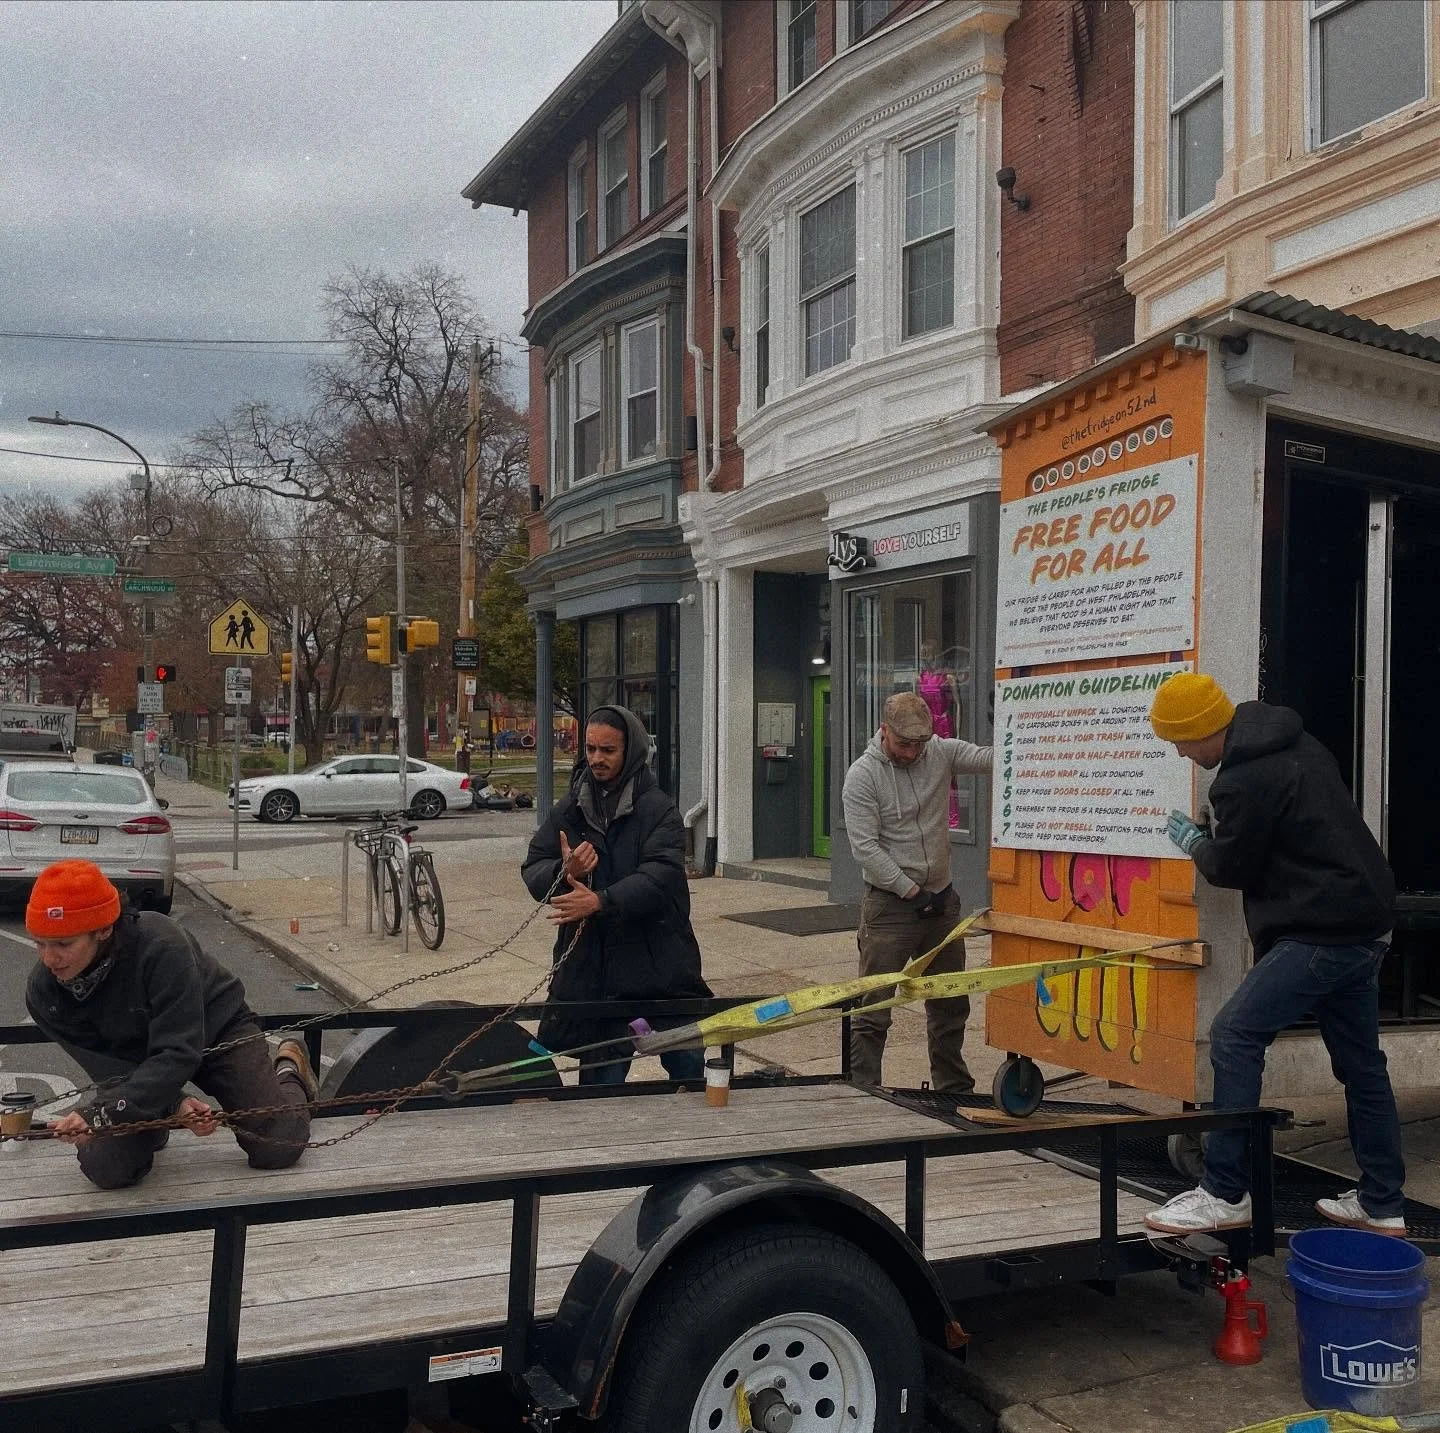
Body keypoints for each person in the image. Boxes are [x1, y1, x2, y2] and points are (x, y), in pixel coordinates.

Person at [1141, 673, 1406, 1237]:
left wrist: (1196, 844)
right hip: (1369, 922)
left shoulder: (1241, 779)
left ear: (1202, 730)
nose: (1181, 753)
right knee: (1362, 1067)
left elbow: (1234, 868)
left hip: (1323, 930)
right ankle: (1382, 1203)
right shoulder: (1296, 743)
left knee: (1235, 1034)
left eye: (1180, 742)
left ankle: (1224, 1194)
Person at [24, 860, 317, 1190]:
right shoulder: (43, 993)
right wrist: (171, 1103)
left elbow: (180, 1050)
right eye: (40, 943)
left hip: (216, 1030)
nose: (49, 959)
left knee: (278, 1145)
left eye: (63, 944)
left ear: (104, 929)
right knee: (109, 1166)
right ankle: (153, 1124)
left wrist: (144, 1102)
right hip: (135, 1064)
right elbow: (108, 1069)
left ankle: (289, 1071)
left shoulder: (160, 942)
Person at [522, 705, 710, 1084]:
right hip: (595, 973)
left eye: (607, 750)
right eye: (590, 749)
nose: (596, 759)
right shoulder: (571, 808)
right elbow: (533, 868)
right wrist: (565, 872)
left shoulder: (659, 810)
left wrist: (601, 901)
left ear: (631, 752)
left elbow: (661, 876)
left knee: (688, 1070)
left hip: (659, 966)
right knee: (599, 1084)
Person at [842, 690, 992, 1091]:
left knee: (949, 1000)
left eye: (920, 744)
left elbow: (987, 758)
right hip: (890, 908)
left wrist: (1024, 734)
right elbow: (866, 849)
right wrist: (911, 891)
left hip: (941, 901)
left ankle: (953, 1087)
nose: (912, 753)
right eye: (904, 743)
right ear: (884, 730)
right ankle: (864, 1090)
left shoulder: (938, 752)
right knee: (874, 1008)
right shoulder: (863, 776)